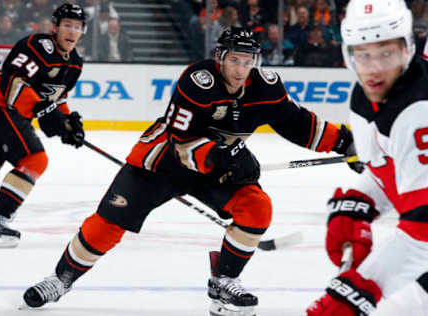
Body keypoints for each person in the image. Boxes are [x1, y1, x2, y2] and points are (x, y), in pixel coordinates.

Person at [22, 26, 356, 316]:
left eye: (248, 61)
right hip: (160, 163)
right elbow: (181, 141)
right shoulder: (198, 81)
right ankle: (61, 278)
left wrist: (344, 142)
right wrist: (222, 155)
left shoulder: (265, 87)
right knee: (107, 225)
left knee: (257, 208)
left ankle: (224, 281)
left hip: (213, 168)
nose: (241, 70)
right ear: (220, 57)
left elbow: (297, 123)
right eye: (234, 60)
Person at [306, 0, 428, 315]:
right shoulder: (365, 97)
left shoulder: (418, 110)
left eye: (386, 54)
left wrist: (361, 289)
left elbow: (424, 231)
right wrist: (361, 201)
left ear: (408, 48)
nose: (374, 69)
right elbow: (386, 169)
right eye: (364, 55)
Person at [0, 3, 86, 248]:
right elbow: (12, 81)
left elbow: (57, 98)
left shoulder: (75, 63)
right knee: (35, 159)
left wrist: (67, 124)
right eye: (67, 25)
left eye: (77, 27)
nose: (72, 31)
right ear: (55, 27)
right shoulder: (37, 45)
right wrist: (41, 109)